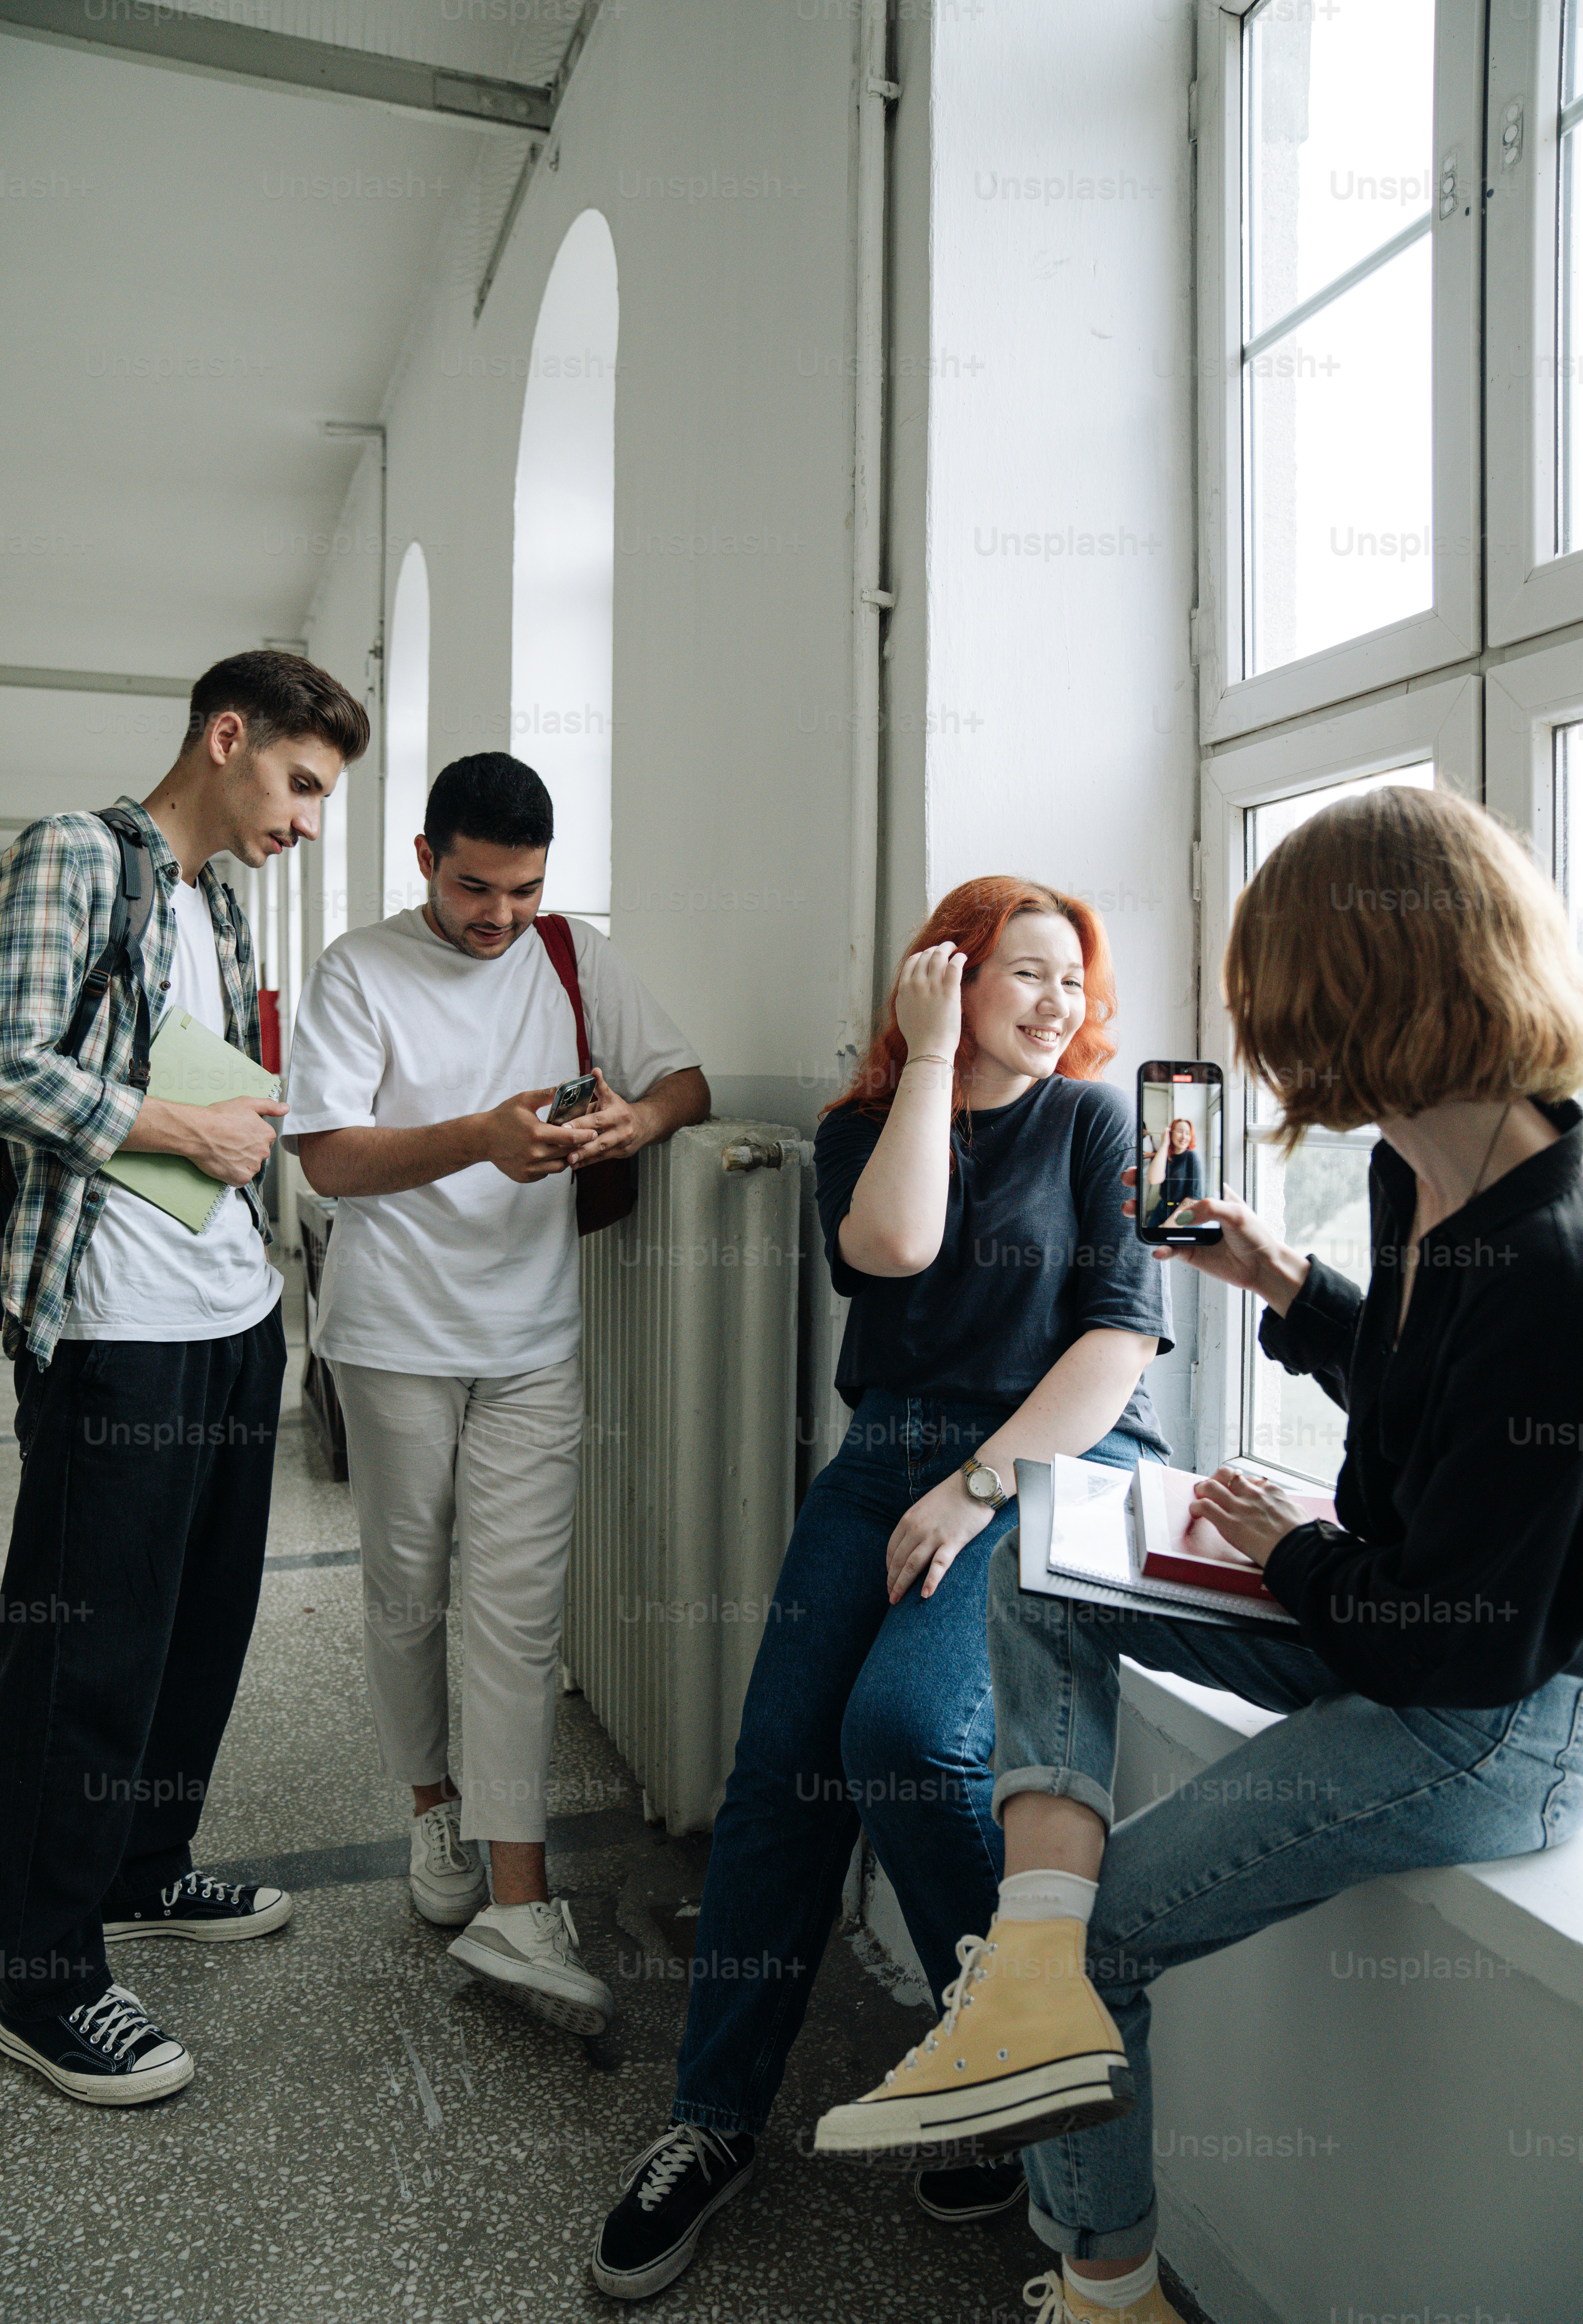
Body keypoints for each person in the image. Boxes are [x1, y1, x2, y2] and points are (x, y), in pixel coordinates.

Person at [818, 786, 1583, 2324]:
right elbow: (1441, 1410)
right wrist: (1286, 1285)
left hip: (1473, 1721)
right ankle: (1024, 1965)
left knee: (1109, 1944)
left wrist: (1292, 1550)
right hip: (1369, 1598)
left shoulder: (1556, 1257)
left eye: (1279, 1005)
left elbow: (1458, 1645)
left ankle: (1110, 2286)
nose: (1263, 1045)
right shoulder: (1407, 1168)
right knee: (1044, 1533)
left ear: (1367, 995)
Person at [591, 876, 1173, 2302]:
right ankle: (710, 2124)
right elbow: (891, 1251)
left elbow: (1116, 1348)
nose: (1053, 1003)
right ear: (944, 981)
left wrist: (978, 1489)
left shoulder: (1102, 1122)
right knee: (777, 1770)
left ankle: (1004, 2075)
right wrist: (923, 1067)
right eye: (1020, 974)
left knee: (904, 1738)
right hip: (885, 1455)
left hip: (1043, 1465)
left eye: (1068, 979)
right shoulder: (864, 1129)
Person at [284, 752, 707, 2034]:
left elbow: (683, 1079)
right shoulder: (359, 968)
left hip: (533, 1338)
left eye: (522, 891)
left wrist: (636, 1123)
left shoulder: (574, 956)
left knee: (516, 1615)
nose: (500, 918)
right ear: (425, 860)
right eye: (475, 889)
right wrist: (479, 1133)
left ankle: (519, 1901)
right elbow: (326, 1160)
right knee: (409, 1590)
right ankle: (432, 1815)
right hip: (396, 1335)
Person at [0, 650, 368, 2105]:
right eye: (299, 784)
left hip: (228, 1309)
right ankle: (36, 1969)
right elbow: (9, 1055)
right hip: (111, 1319)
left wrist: (248, 1125)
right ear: (228, 739)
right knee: (85, 1649)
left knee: (201, 1625)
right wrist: (172, 1120)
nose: (307, 821)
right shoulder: (72, 855)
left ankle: (144, 1866)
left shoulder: (222, 899)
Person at [1140, 1116, 1200, 1232]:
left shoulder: (1191, 1156)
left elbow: (1194, 1197)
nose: (1184, 1137)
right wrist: (1164, 1145)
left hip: (1184, 1212)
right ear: (1171, 1134)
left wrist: (1167, 1225)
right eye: (1180, 1132)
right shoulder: (1166, 1156)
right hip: (1163, 1209)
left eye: (1188, 1133)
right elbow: (1153, 1179)